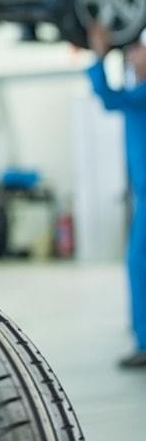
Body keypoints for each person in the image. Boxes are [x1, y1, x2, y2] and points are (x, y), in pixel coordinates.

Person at [87, 23, 146, 369]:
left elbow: (109, 98)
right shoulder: (136, 93)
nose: (132, 56)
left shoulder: (140, 95)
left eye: (136, 49)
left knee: (138, 265)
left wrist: (99, 51)